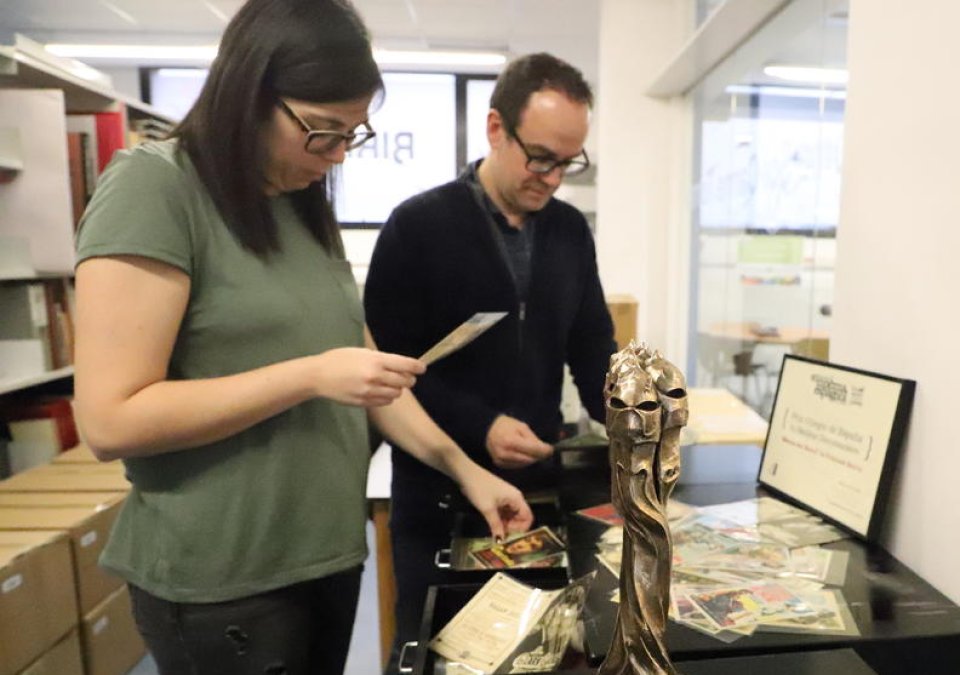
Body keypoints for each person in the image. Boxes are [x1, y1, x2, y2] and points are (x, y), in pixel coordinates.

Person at [71, 1, 531, 673]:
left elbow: (369, 377)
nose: (339, 154)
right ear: (250, 93)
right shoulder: (155, 188)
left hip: (323, 555)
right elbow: (109, 419)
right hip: (225, 577)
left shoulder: (297, 200)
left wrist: (466, 471)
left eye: (353, 133)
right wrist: (310, 375)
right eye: (322, 132)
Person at [363, 52, 616, 657]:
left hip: (538, 496)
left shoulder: (569, 232)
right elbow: (386, 377)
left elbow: (591, 347)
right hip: (438, 496)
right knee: (439, 653)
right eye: (542, 158)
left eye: (569, 163)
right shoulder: (416, 227)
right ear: (496, 128)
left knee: (541, 653)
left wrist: (633, 416)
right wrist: (481, 426)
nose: (554, 178)